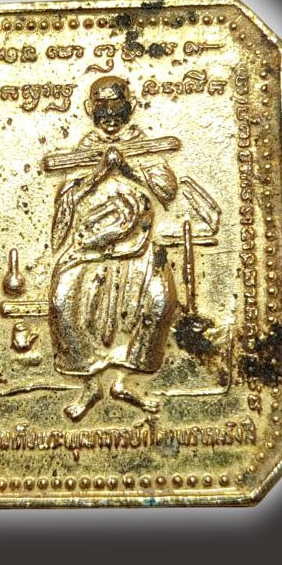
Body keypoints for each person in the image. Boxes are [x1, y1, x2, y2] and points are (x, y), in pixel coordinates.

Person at [48, 76, 178, 420]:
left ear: (130, 108)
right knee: (62, 301)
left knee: (160, 301)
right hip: (89, 246)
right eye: (102, 110)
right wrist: (99, 171)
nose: (110, 118)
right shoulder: (85, 148)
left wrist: (128, 169)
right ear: (90, 110)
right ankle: (90, 386)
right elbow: (66, 200)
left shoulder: (142, 146)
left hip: (138, 246)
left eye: (117, 109)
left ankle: (124, 382)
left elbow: (167, 192)